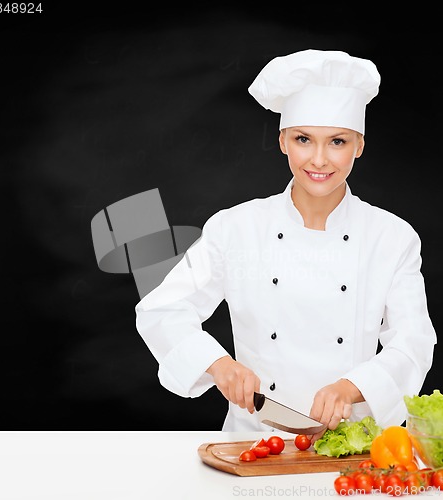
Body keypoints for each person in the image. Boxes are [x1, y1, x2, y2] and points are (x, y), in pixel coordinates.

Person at [135, 49, 437, 440]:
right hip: (254, 439)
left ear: (359, 146)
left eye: (338, 142)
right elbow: (162, 309)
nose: (319, 159)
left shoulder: (392, 237)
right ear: (282, 142)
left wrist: (351, 387)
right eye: (303, 139)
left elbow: (413, 342)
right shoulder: (236, 228)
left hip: (351, 444)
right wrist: (219, 363)